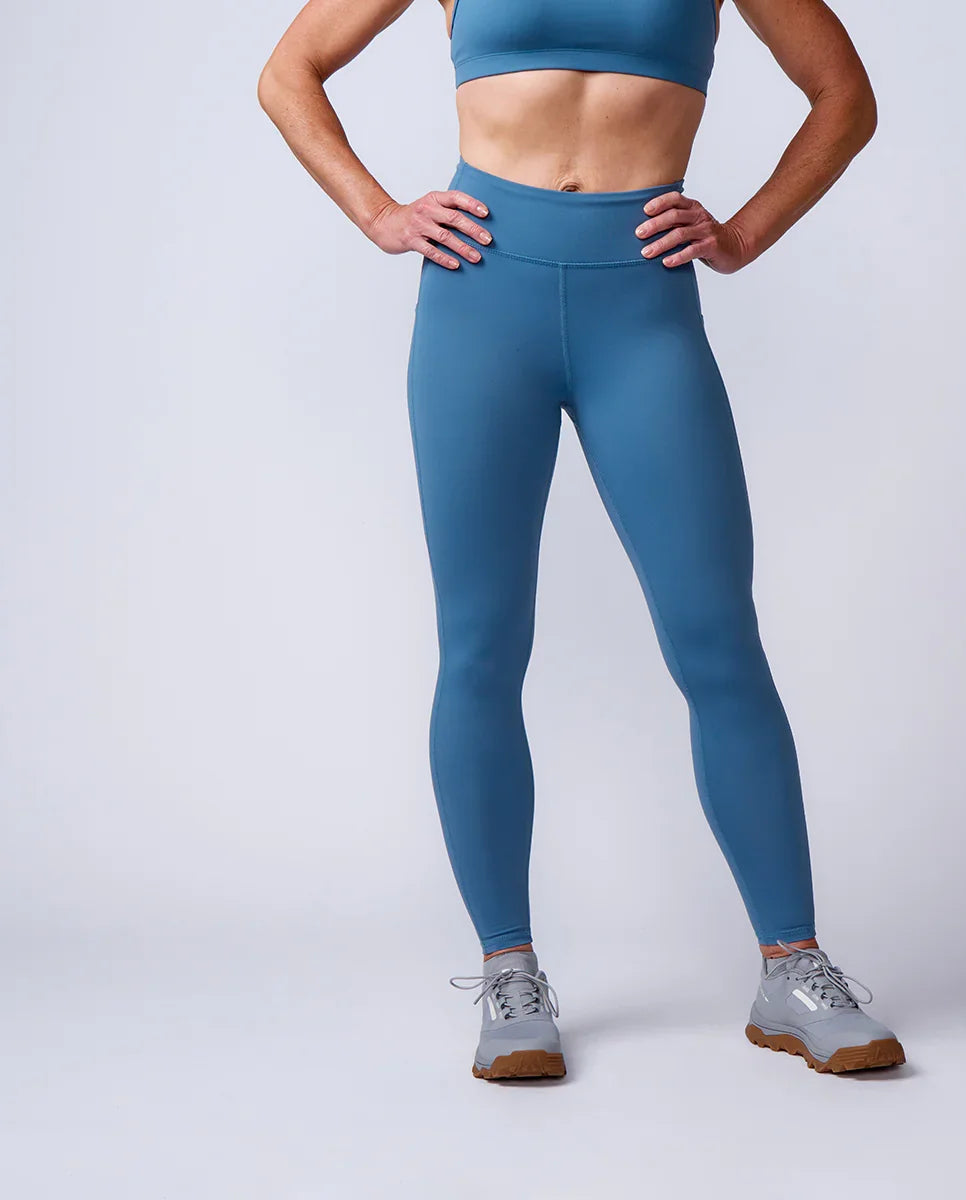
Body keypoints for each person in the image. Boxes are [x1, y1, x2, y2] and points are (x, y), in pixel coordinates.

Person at [259, 0, 904, 1080]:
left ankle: (793, 968)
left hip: (641, 312)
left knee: (716, 640)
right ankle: (510, 976)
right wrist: (377, 212)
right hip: (479, 297)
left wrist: (743, 233)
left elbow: (846, 98)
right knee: (481, 644)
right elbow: (292, 70)